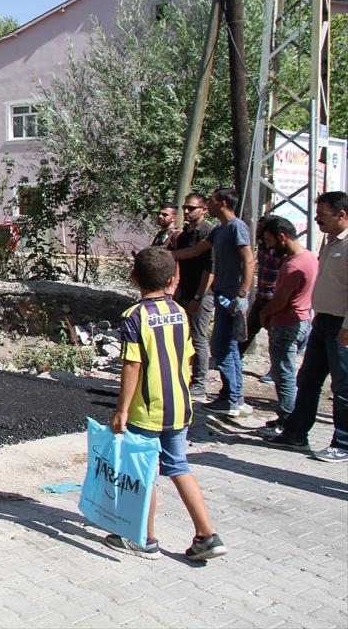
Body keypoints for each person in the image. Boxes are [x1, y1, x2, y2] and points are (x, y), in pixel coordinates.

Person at [104, 245, 227, 561]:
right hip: (179, 406)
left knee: (144, 473)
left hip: (146, 411)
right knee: (179, 466)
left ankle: (144, 538)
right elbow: (188, 357)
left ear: (133, 277)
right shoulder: (180, 312)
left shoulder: (134, 317)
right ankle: (207, 535)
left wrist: (121, 410)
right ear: (172, 279)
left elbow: (132, 365)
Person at [265, 191, 348, 463]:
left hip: (341, 325)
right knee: (308, 379)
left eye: (322, 215)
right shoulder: (331, 241)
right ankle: (296, 434)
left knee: (342, 387)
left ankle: (343, 442)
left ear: (341, 215)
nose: (317, 219)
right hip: (322, 321)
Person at [173, 187, 254, 417]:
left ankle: (231, 398)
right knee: (229, 347)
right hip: (222, 294)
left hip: (231, 297)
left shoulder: (237, 227)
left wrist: (242, 294)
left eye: (212, 200)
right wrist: (165, 255)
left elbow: (249, 260)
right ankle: (234, 397)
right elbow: (195, 251)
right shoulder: (219, 230)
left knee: (219, 346)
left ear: (223, 203)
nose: (209, 204)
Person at [254, 216, 316, 434]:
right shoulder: (309, 257)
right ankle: (288, 419)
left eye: (269, 240)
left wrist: (264, 313)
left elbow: (280, 301)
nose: (269, 246)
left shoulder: (293, 265)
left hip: (286, 324)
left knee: (284, 375)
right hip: (301, 321)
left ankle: (287, 422)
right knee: (287, 373)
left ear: (282, 237)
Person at [171, 193, 215, 400]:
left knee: (198, 338)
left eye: (191, 208)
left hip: (201, 293)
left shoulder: (208, 233)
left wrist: (198, 297)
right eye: (185, 208)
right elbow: (179, 263)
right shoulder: (184, 235)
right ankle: (181, 377)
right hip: (184, 291)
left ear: (203, 210)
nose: (187, 212)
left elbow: (210, 270)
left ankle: (199, 384)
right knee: (180, 335)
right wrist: (176, 287)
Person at [239, 222, 283, 377]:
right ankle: (238, 358)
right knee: (249, 329)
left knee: (274, 336)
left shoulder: (281, 252)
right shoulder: (263, 248)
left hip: (273, 298)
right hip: (261, 296)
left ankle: (274, 370)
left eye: (262, 230)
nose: (259, 233)